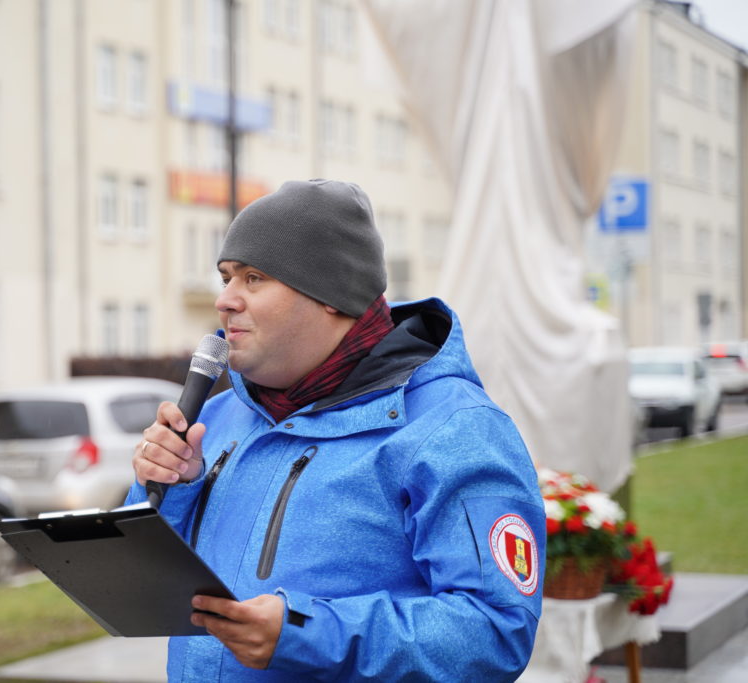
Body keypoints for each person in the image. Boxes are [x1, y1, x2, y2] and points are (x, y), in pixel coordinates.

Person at [128, 179, 545, 681]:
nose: (226, 300)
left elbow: (493, 630)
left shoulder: (454, 429)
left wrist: (308, 633)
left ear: (332, 296)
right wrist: (171, 491)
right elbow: (142, 587)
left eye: (255, 278)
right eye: (226, 278)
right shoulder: (214, 420)